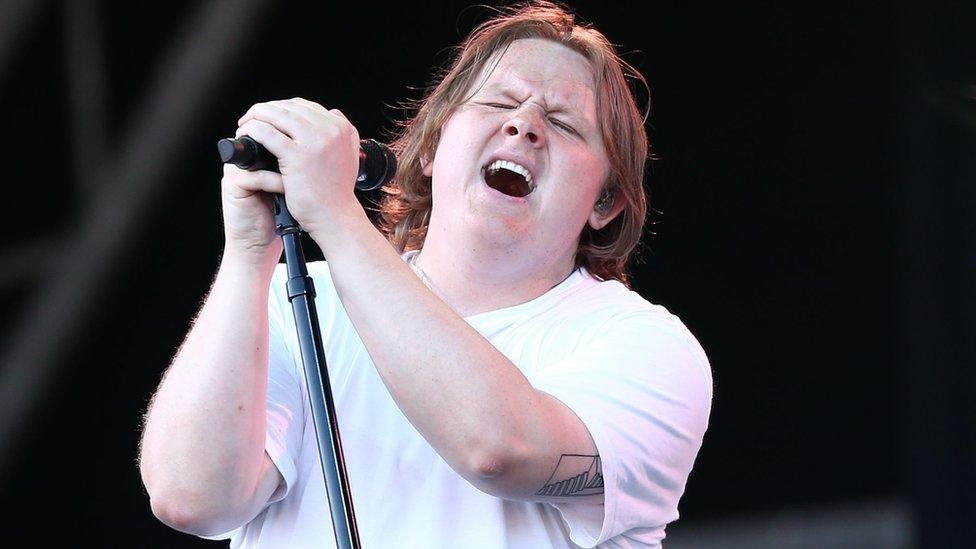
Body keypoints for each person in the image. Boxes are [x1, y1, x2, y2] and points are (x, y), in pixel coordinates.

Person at [138, 2, 712, 547]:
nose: (524, 126)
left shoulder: (644, 346)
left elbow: (498, 449)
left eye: (563, 123)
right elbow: (191, 497)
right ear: (433, 146)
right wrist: (247, 252)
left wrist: (336, 217)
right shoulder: (300, 303)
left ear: (606, 202)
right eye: (497, 103)